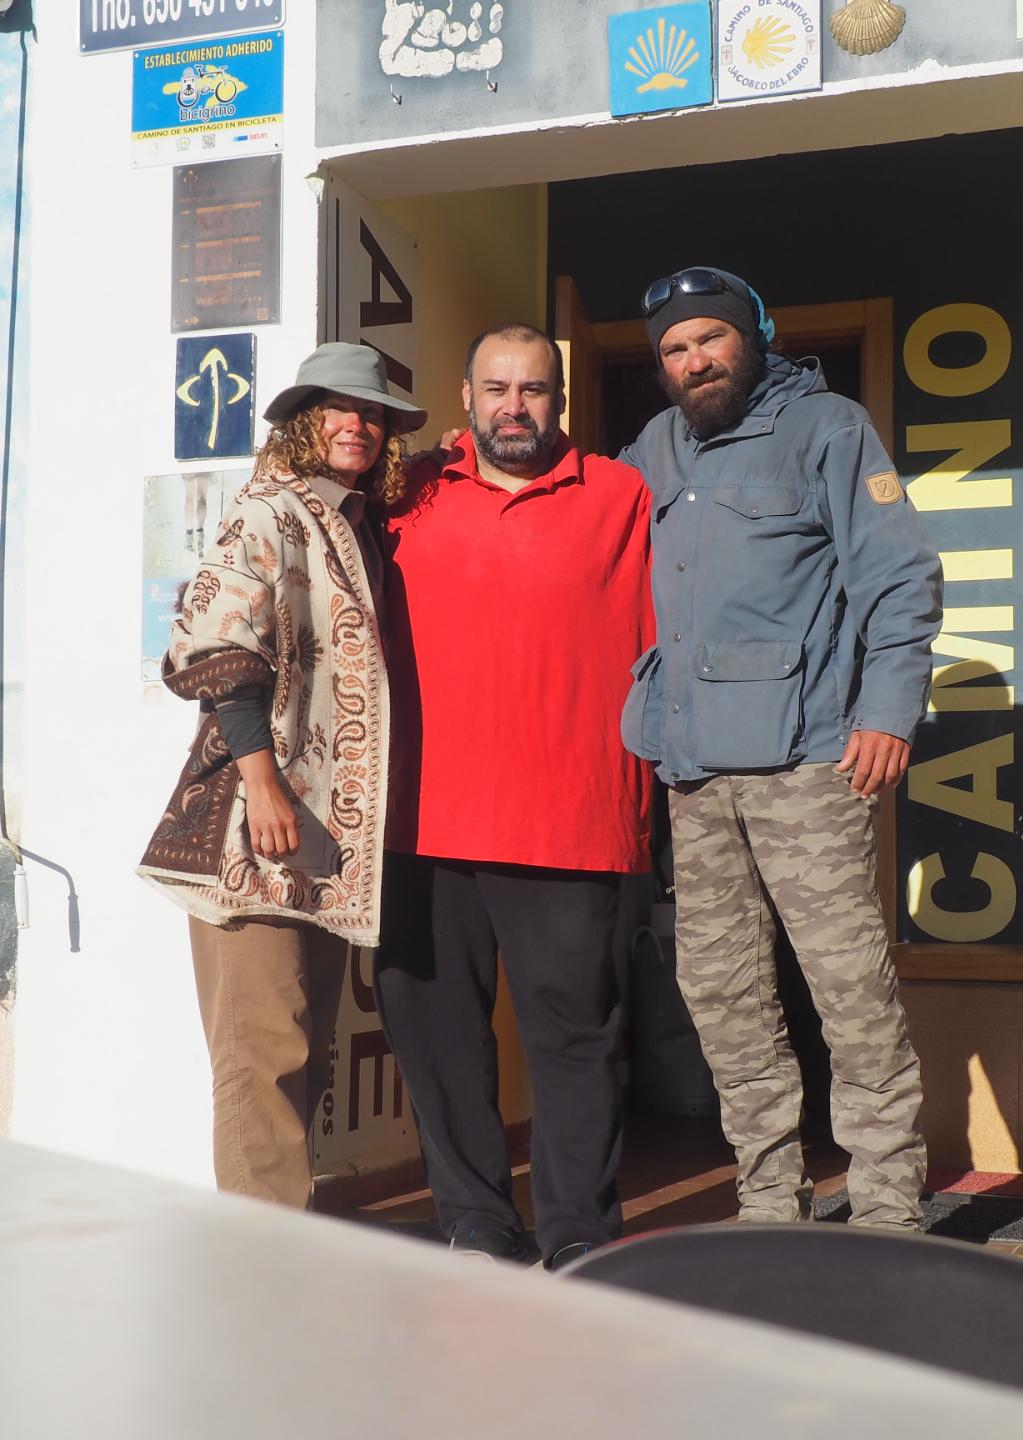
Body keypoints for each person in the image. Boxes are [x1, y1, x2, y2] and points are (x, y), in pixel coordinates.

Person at [619, 268, 943, 1228]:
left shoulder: (828, 428)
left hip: (809, 762)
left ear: (754, 336)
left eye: (711, 339)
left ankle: (887, 1203)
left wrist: (888, 712)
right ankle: (768, 1198)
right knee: (721, 996)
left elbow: (900, 577)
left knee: (849, 989)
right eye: (676, 349)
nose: (695, 361)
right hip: (692, 772)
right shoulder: (652, 449)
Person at [376, 323, 653, 1270]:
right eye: (496, 389)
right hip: (419, 821)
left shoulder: (621, 495)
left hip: (571, 821)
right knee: (438, 1039)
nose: (514, 407)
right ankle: (476, 1223)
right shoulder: (406, 492)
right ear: (467, 398)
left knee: (577, 1042)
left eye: (533, 389)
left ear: (560, 399)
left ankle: (579, 1233)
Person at [139, 342, 426, 1207]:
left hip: (320, 834)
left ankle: (283, 1241)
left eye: (372, 413)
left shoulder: (349, 521)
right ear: (305, 420)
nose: (358, 424)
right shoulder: (268, 511)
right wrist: (264, 783)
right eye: (340, 408)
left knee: (304, 1052)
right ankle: (256, 1257)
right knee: (261, 1056)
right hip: (254, 825)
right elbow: (217, 648)